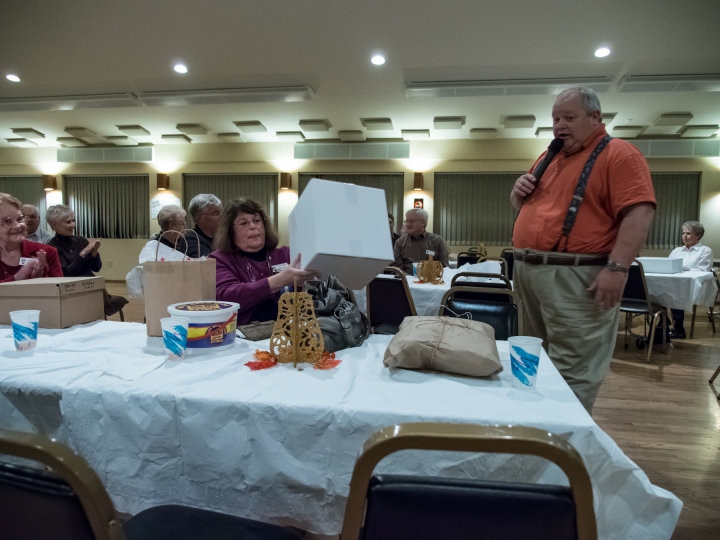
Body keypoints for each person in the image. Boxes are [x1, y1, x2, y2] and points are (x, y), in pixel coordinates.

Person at [511, 86, 656, 414]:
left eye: (569, 117)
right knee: (533, 362)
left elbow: (639, 212)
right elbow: (532, 210)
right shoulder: (549, 157)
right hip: (530, 273)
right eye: (555, 118)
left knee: (572, 369)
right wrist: (517, 195)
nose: (559, 125)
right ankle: (535, 432)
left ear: (595, 117)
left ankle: (563, 446)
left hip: (576, 277)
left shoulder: (619, 154)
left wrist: (617, 269)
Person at [210, 198, 318, 326]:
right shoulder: (220, 259)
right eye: (243, 223)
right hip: (245, 335)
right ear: (230, 231)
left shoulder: (287, 254)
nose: (253, 226)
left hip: (295, 329)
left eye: (257, 221)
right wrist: (278, 281)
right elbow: (226, 298)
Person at [46, 204, 128, 317]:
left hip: (91, 287)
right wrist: (83, 253)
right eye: (68, 222)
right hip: (72, 292)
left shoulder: (81, 240)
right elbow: (67, 274)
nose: (72, 225)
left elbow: (96, 268)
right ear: (53, 225)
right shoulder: (52, 247)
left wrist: (94, 253)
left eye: (73, 221)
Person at [0, 193, 62, 282]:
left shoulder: (48, 252)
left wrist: (41, 279)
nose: (18, 226)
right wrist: (17, 278)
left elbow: (60, 291)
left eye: (19, 219)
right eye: (7, 221)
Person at [668, 221, 714, 339]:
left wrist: (683, 269)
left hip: (696, 284)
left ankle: (678, 328)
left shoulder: (705, 250)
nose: (684, 236)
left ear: (698, 236)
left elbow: (702, 271)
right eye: (683, 233)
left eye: (688, 233)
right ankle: (662, 324)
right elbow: (668, 266)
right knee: (660, 289)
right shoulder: (676, 251)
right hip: (676, 283)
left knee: (676, 291)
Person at [393, 208, 449, 274]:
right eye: (406, 221)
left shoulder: (437, 241)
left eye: (411, 221)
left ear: (423, 222)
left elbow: (444, 267)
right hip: (406, 281)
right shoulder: (400, 242)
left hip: (431, 282)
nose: (407, 224)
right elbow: (398, 270)